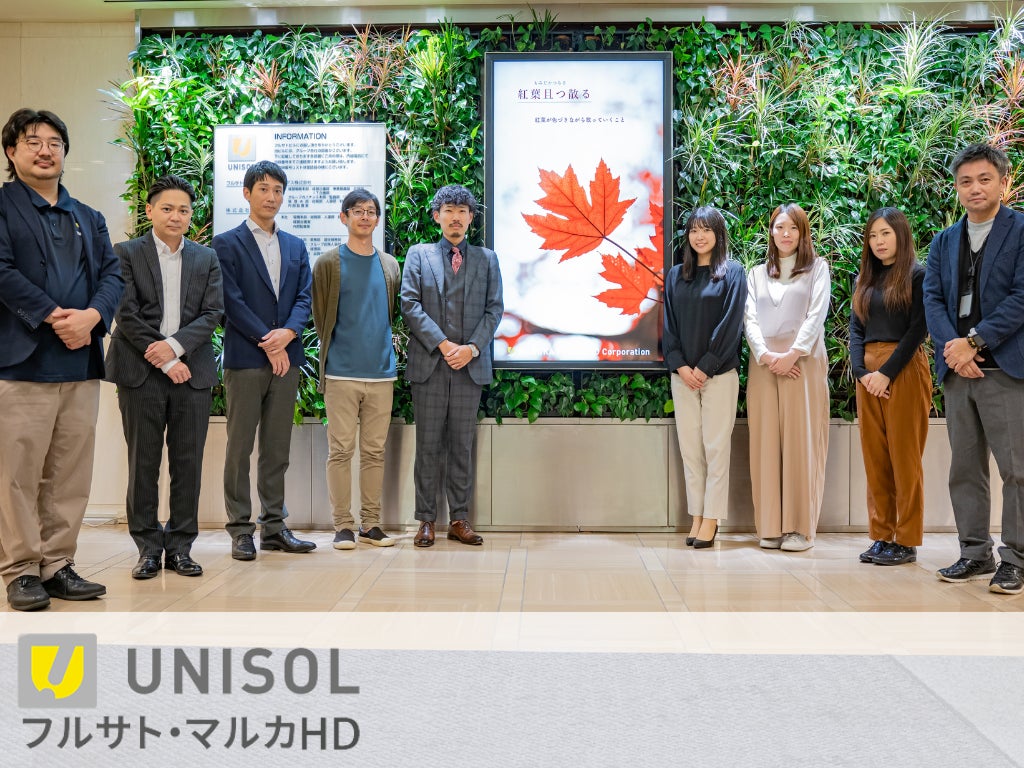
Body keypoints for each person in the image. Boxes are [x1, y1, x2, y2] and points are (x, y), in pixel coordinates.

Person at [0, 108, 124, 611]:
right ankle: (20, 569)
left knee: (69, 473)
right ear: (12, 152)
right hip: (21, 363)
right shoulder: (3, 207)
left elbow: (113, 275)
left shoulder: (87, 217)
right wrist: (55, 315)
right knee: (17, 472)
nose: (45, 150)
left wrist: (92, 316)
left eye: (54, 142)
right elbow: (2, 271)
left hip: (79, 363)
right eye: (33, 141)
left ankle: (57, 564)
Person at [106, 175, 223, 580]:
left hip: (192, 373)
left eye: (183, 210)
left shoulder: (206, 258)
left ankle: (181, 547)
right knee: (143, 462)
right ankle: (147, 548)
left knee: (188, 464)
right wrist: (165, 359)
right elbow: (126, 312)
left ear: (191, 215)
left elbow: (212, 313)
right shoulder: (126, 253)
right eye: (167, 208)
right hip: (141, 371)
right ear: (150, 211)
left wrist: (174, 349)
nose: (176, 216)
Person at [923, 142, 1024, 595]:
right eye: (965, 181)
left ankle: (1016, 559)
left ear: (1003, 181)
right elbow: (932, 300)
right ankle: (975, 552)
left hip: (1005, 367)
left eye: (984, 179)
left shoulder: (1020, 230)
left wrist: (975, 342)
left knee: (1017, 470)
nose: (975, 188)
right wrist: (954, 350)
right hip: (958, 372)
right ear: (957, 188)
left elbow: (1021, 297)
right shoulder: (944, 241)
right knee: (964, 468)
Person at [213, 160, 315, 560]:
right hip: (245, 359)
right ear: (247, 193)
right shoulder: (226, 244)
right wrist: (268, 341)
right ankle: (240, 529)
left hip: (286, 359)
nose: (271, 197)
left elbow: (304, 297)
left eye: (277, 190)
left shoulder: (295, 245)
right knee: (239, 449)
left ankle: (274, 526)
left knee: (277, 449)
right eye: (263, 189)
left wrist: (287, 334)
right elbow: (230, 301)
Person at [400, 184, 503, 547]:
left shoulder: (487, 259)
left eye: (462, 211)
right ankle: (426, 520)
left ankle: (459, 519)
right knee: (427, 445)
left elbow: (494, 309)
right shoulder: (419, 254)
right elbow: (409, 304)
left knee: (462, 446)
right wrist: (444, 345)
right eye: (449, 211)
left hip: (468, 367)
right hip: (431, 364)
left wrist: (472, 348)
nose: (455, 218)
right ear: (437, 216)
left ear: (471, 218)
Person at [312, 189, 399, 550]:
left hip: (382, 373)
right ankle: (343, 525)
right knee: (340, 451)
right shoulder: (328, 263)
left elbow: (390, 314)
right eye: (358, 211)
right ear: (343, 217)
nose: (365, 217)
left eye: (371, 211)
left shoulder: (389, 265)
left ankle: (371, 524)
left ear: (378, 219)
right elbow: (320, 317)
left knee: (375, 452)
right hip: (341, 373)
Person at [744, 203, 830, 552]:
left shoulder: (817, 269)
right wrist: (766, 356)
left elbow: (816, 314)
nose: (786, 234)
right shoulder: (756, 274)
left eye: (793, 228)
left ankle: (799, 529)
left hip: (802, 365)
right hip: (764, 366)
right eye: (779, 227)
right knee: (765, 444)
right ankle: (769, 527)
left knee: (801, 442)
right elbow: (749, 318)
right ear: (771, 231)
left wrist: (793, 354)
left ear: (803, 232)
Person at [850, 207, 930, 566]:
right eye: (872, 235)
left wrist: (887, 373)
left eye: (885, 233)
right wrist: (861, 372)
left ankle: (906, 540)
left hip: (903, 369)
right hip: (867, 374)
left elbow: (918, 330)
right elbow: (855, 329)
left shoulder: (917, 275)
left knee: (905, 457)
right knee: (875, 458)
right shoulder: (864, 279)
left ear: (901, 234)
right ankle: (881, 535)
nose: (878, 241)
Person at [663, 207, 746, 548]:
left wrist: (706, 365)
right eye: (694, 230)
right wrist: (680, 365)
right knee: (690, 450)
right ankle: (696, 515)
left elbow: (731, 324)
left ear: (718, 234)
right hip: (682, 376)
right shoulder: (675, 276)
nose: (700, 236)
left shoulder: (733, 273)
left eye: (706, 230)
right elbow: (668, 326)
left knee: (715, 448)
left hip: (719, 374)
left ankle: (712, 518)